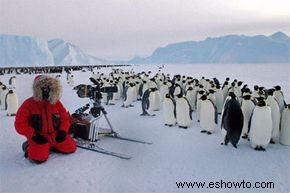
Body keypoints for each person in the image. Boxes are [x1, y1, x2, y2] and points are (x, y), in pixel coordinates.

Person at [15, 75, 76, 163]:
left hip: (55, 135)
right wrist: (33, 135)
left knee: (71, 147)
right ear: (37, 89)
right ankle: (28, 145)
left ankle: (50, 146)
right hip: (39, 135)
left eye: (49, 88)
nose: (46, 90)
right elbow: (20, 124)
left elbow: (64, 118)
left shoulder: (56, 103)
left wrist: (63, 131)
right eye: (43, 88)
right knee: (38, 158)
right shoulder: (28, 104)